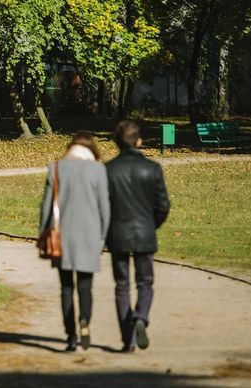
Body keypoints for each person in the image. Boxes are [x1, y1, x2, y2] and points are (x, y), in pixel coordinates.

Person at [39, 131, 110, 352]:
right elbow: (105, 208)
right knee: (85, 287)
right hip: (89, 236)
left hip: (62, 237)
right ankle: (85, 321)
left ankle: (70, 336)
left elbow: (46, 206)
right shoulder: (98, 170)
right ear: (92, 150)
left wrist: (42, 234)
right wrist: (103, 238)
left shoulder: (57, 168)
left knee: (66, 288)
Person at [105, 120, 170, 352]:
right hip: (144, 232)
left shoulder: (108, 170)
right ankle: (141, 316)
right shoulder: (152, 168)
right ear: (139, 141)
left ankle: (127, 339)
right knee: (145, 283)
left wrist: (106, 231)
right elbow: (163, 205)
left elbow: (102, 207)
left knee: (121, 285)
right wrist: (152, 225)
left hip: (118, 234)